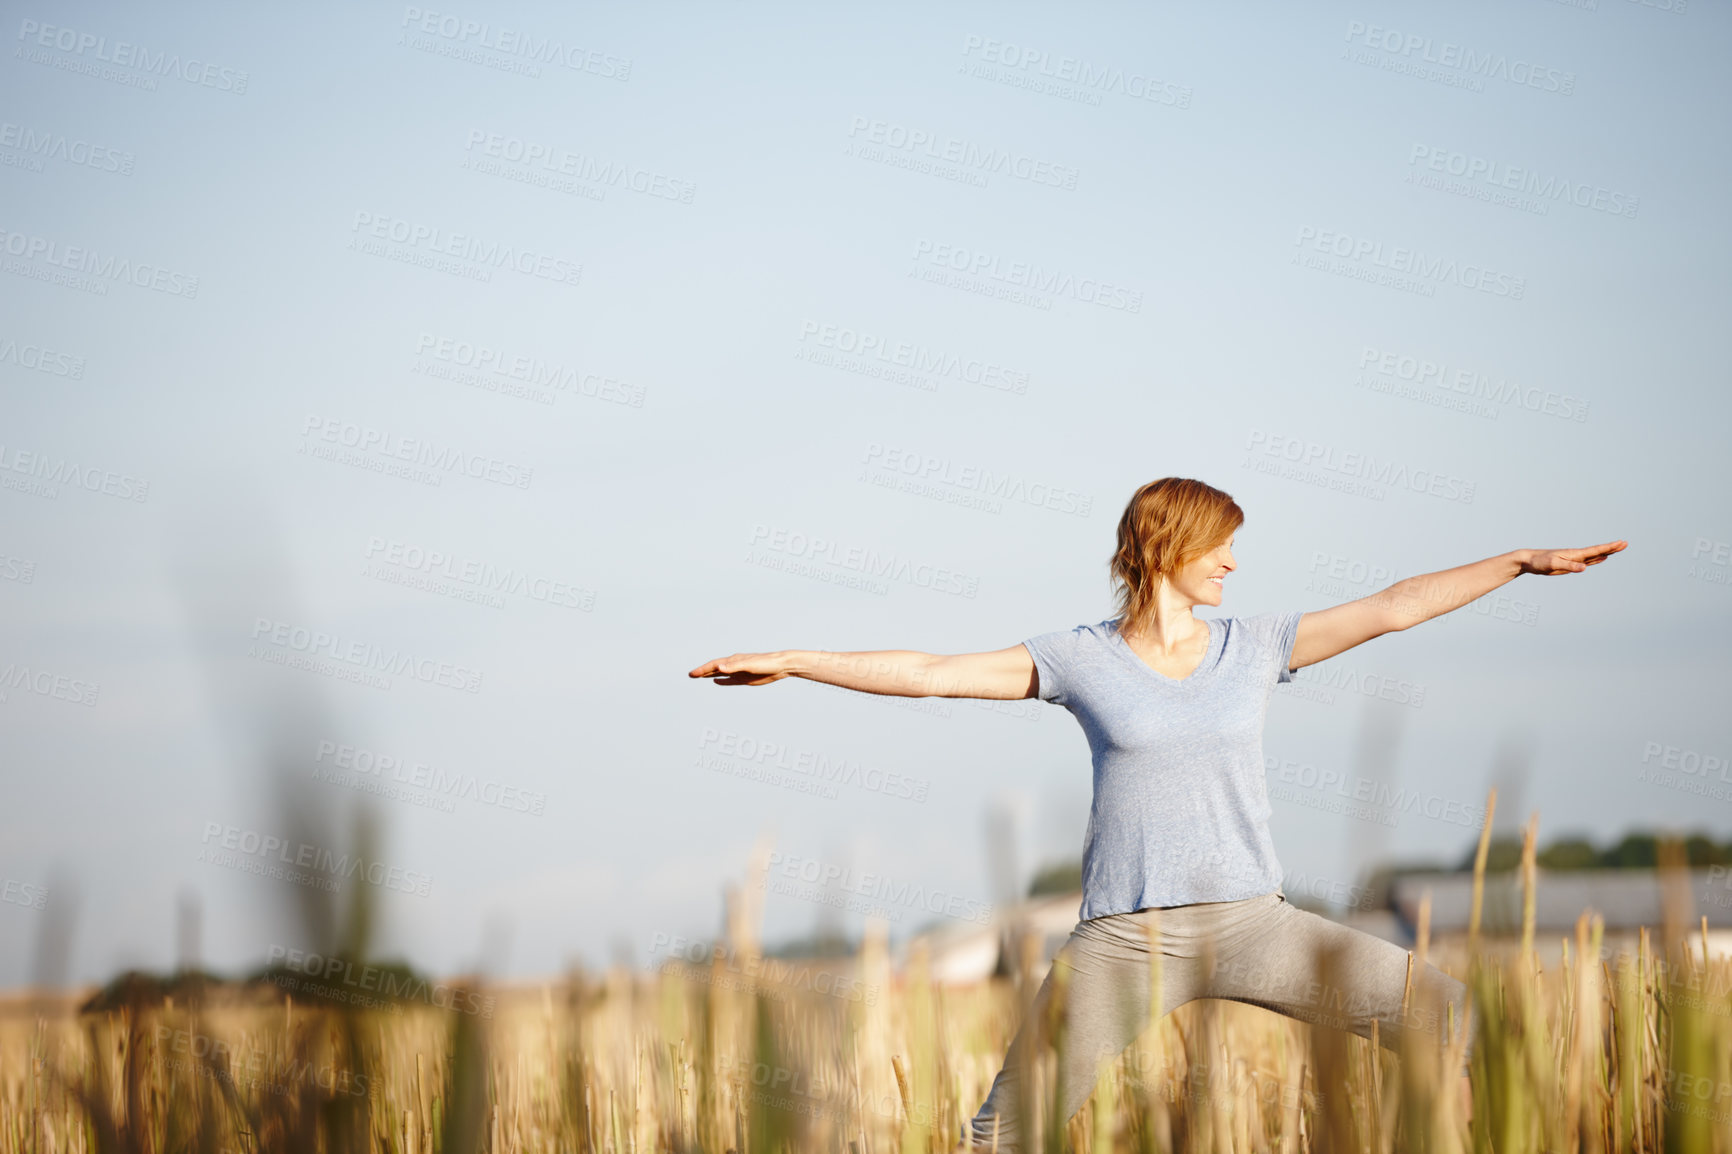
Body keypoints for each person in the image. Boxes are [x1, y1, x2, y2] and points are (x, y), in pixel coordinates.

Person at [688, 477, 1626, 1151]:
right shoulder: (1078, 657)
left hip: (1257, 923)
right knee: (1004, 1134)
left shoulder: (1256, 646)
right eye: (1219, 542)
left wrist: (1518, 562)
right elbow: (933, 675)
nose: (1232, 561)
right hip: (1126, 941)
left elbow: (1389, 608)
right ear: (1165, 546)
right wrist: (796, 658)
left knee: (1458, 1020)